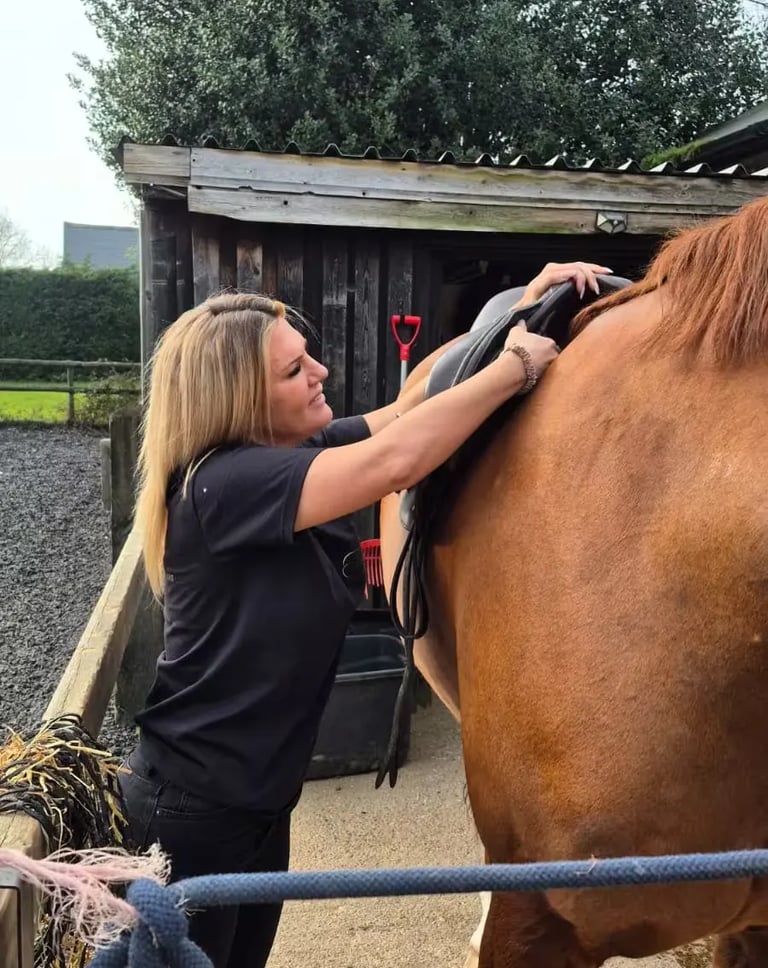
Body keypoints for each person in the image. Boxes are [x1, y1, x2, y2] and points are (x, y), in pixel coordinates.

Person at [118, 260, 611, 968]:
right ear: (239, 403)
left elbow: (404, 415)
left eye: (307, 356)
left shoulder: (291, 451)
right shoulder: (227, 485)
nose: (319, 371)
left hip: (253, 804)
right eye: (292, 373)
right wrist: (514, 370)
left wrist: (520, 308)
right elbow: (396, 461)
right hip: (196, 815)